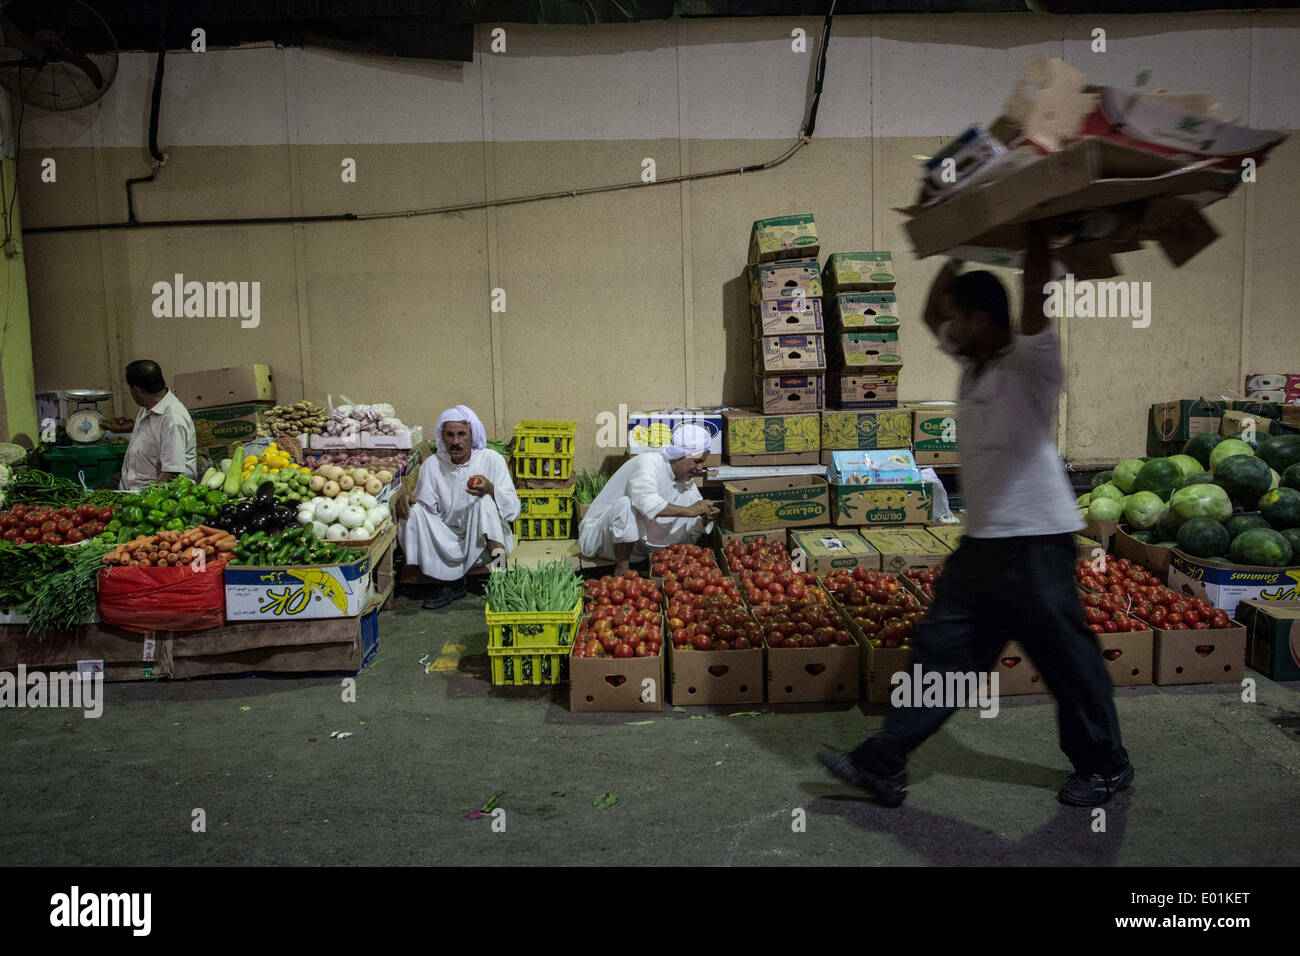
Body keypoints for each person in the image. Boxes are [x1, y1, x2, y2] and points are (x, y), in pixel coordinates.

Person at [819, 222, 1133, 809]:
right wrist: (957, 245)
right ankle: (885, 763)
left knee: (1066, 661)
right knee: (942, 655)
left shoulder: (1029, 363)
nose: (946, 327)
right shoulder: (972, 366)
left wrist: (1039, 216)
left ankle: (1106, 765)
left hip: (1038, 545)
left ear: (984, 320)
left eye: (959, 318)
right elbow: (928, 310)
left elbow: (1037, 294)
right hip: (983, 547)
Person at [390, 405, 519, 610]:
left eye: (461, 434)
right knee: (411, 512)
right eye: (450, 435)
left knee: (484, 502)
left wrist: (491, 490)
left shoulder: (491, 460)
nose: (456, 441)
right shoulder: (433, 465)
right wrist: (407, 498)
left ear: (472, 435)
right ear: (442, 437)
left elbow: (513, 510)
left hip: (484, 541)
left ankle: (501, 576)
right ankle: (445, 581)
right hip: (447, 538)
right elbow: (426, 509)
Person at [578, 423, 719, 574]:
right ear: (679, 455)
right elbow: (647, 502)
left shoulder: (685, 481)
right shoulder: (648, 463)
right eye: (697, 461)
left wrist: (703, 518)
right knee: (625, 505)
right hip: (605, 542)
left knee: (689, 499)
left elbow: (692, 529)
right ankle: (622, 569)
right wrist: (689, 511)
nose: (700, 468)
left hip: (640, 550)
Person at [118, 359, 198, 492]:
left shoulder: (173, 420)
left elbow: (170, 474)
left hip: (156, 497)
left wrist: (143, 498)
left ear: (137, 390)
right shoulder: (148, 406)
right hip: (131, 490)